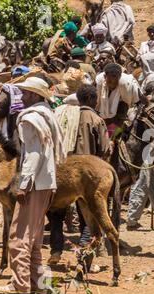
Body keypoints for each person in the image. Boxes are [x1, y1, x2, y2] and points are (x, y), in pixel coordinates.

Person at [0, 77, 65, 294]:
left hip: (34, 184)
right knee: (34, 237)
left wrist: (24, 185)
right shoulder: (47, 115)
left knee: (19, 236)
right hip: (47, 182)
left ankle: (20, 283)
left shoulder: (29, 119)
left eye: (26, 93)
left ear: (35, 95)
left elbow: (32, 156)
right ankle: (39, 284)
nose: (22, 97)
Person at [47, 84, 111, 264]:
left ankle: (56, 251)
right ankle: (84, 251)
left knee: (56, 214)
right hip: (86, 175)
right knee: (88, 217)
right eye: (96, 98)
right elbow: (104, 149)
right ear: (91, 99)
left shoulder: (64, 115)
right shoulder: (96, 119)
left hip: (62, 171)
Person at [126, 81, 154, 230]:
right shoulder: (139, 109)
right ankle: (131, 219)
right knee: (142, 182)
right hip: (144, 149)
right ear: (152, 92)